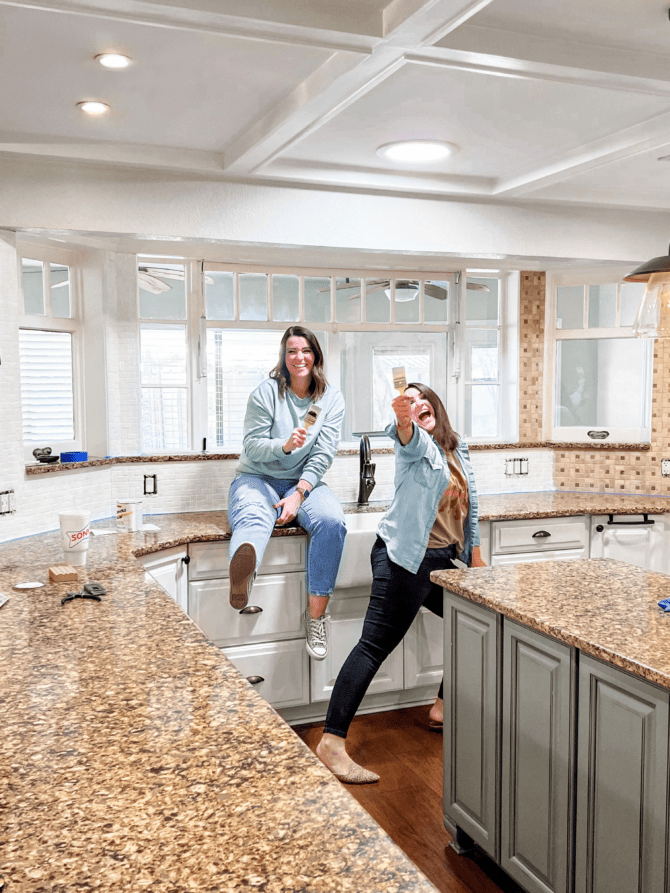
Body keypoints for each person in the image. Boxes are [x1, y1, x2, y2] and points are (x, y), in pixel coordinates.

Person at [316, 382, 485, 783]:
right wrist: (403, 420)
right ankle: (331, 744)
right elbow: (407, 439)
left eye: (421, 398)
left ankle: (442, 706)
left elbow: (471, 508)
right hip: (405, 561)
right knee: (373, 647)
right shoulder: (418, 448)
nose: (416, 403)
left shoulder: (456, 449)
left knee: (477, 621)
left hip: (443, 560)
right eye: (409, 401)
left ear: (436, 406)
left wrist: (475, 554)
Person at [227, 326, 346, 660]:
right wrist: (284, 445)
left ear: (316, 355)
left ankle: (316, 618)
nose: (299, 357)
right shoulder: (265, 393)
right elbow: (251, 446)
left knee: (332, 522)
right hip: (257, 477)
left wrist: (300, 494)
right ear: (284, 357)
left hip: (303, 481)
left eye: (305, 350)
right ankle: (243, 575)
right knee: (253, 516)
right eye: (292, 351)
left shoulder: (329, 399)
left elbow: (323, 453)